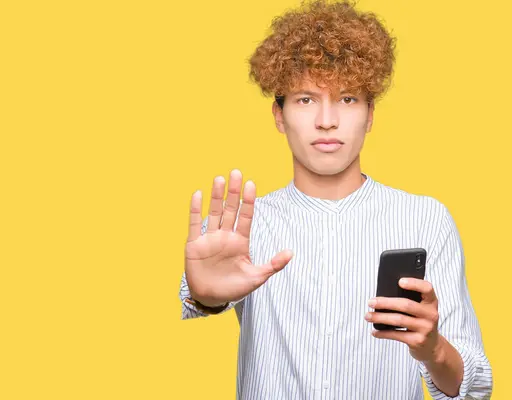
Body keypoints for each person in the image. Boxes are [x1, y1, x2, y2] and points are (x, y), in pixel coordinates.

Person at [178, 0, 493, 398]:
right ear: (279, 115)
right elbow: (203, 292)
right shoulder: (242, 226)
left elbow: (474, 387)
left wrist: (433, 349)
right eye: (306, 99)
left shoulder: (425, 219)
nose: (326, 120)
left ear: (370, 113)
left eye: (347, 98)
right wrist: (205, 297)